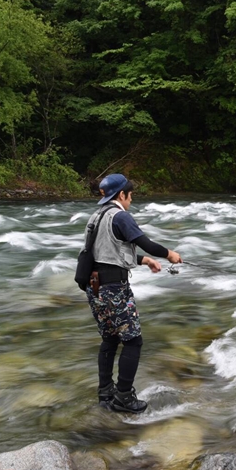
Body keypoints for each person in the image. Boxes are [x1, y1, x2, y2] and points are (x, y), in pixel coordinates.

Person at [82, 173, 182, 413]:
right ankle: (124, 397)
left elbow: (106, 254)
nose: (131, 200)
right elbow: (146, 242)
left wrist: (145, 260)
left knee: (110, 338)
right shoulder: (120, 216)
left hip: (93, 286)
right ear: (121, 195)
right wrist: (169, 254)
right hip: (114, 288)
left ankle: (105, 393)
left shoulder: (96, 217)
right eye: (130, 195)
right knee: (133, 340)